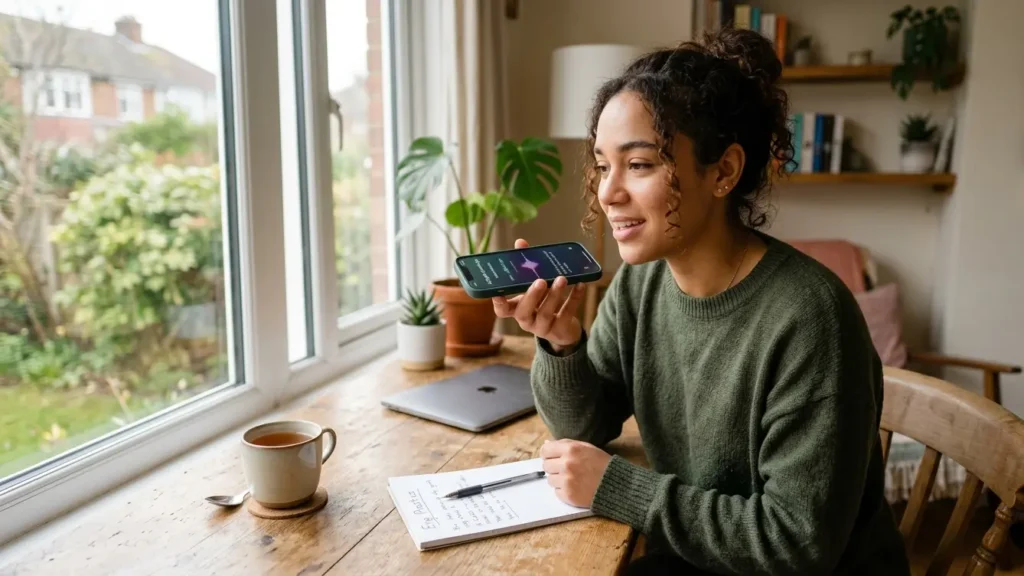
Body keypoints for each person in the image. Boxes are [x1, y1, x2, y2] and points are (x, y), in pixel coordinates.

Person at [492, 28, 911, 576]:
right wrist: (562, 341)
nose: (608, 192)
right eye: (602, 163)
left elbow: (797, 544)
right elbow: (583, 426)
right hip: (701, 559)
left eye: (639, 164)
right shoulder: (641, 284)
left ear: (724, 172)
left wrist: (621, 488)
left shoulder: (811, 318)